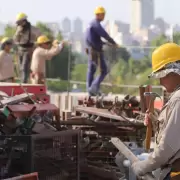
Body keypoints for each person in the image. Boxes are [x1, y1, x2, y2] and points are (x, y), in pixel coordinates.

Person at [131, 43, 180, 180]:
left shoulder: (178, 99)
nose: (159, 81)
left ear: (173, 71)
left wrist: (142, 166)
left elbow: (167, 148)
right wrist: (156, 119)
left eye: (162, 75)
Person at [85, 6, 118, 96]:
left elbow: (94, 39)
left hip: (91, 49)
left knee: (91, 70)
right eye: (103, 14)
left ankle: (90, 90)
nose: (104, 16)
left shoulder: (91, 24)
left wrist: (106, 44)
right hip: (96, 51)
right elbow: (104, 34)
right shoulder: (96, 24)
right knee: (104, 70)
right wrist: (113, 43)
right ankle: (94, 87)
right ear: (98, 15)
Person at [13, 12, 41, 83]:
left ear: (24, 21)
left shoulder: (33, 29)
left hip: (28, 50)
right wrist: (18, 33)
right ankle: (23, 81)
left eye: (20, 22)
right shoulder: (19, 29)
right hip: (20, 50)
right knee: (20, 68)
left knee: (24, 67)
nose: (19, 24)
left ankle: (24, 83)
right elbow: (15, 39)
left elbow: (40, 38)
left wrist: (35, 46)